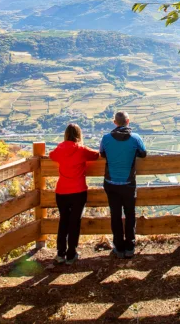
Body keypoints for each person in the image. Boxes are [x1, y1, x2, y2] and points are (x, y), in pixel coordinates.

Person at [48, 123, 99, 265]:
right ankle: (71, 254)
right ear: (79, 135)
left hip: (62, 191)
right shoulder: (81, 150)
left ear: (65, 134)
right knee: (75, 222)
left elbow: (51, 155)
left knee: (63, 221)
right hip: (78, 191)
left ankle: (60, 253)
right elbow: (96, 155)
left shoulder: (60, 148)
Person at [99, 111, 147, 258]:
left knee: (115, 215)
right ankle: (130, 247)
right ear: (128, 121)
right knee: (130, 214)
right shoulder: (135, 138)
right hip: (128, 183)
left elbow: (102, 154)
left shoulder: (106, 138)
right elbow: (143, 153)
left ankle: (118, 247)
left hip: (111, 183)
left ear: (115, 122)